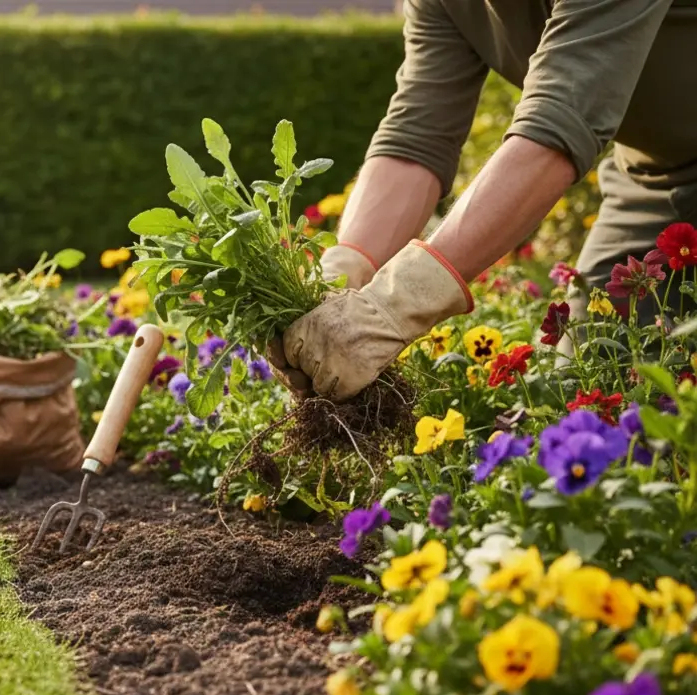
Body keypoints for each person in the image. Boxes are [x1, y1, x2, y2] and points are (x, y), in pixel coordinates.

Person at [269, 0, 697, 402]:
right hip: (657, 182)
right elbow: (418, 135)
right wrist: (345, 269)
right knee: (587, 384)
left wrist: (396, 304)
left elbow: (559, 123)